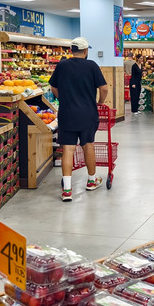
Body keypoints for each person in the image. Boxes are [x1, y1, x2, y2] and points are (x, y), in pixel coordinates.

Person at [49, 37, 109, 202]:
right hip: (87, 113)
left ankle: (67, 190)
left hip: (67, 113)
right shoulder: (91, 66)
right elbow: (103, 88)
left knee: (68, 149)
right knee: (87, 145)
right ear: (85, 51)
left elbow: (53, 86)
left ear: (71, 50)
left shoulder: (62, 65)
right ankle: (91, 181)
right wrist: (100, 102)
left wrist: (64, 99)